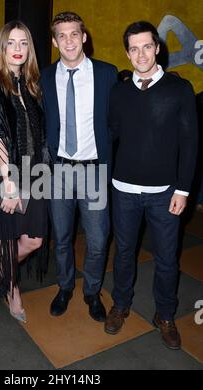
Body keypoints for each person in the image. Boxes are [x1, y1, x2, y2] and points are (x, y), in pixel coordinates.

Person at [106, 21, 198, 349]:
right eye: (134, 48)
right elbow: (111, 135)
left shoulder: (179, 89)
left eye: (147, 46)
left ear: (157, 47)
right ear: (127, 53)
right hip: (123, 190)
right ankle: (120, 304)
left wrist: (183, 189)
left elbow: (190, 143)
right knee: (124, 252)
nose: (141, 54)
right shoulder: (118, 92)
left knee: (167, 258)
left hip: (165, 193)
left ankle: (166, 314)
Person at [40, 12, 117, 322]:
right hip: (57, 170)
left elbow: (119, 119)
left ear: (84, 37)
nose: (69, 40)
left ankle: (92, 291)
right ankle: (65, 286)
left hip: (94, 171)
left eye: (74, 34)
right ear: (55, 41)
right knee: (61, 237)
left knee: (98, 240)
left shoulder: (107, 74)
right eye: (62, 35)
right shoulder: (45, 76)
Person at [0, 21, 49, 323]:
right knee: (7, 237)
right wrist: (9, 183)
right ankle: (12, 289)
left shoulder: (32, 84)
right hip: (8, 172)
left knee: (34, 239)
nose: (18, 49)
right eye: (11, 43)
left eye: (23, 43)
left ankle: (0, 272)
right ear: (2, 47)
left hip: (35, 172)